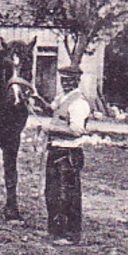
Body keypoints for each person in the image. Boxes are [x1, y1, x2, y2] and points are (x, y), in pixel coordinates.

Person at [45, 65, 92, 245]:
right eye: (62, 79)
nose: (65, 83)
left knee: (68, 195)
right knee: (52, 193)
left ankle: (70, 235)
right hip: (56, 150)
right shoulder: (63, 98)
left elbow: (76, 131)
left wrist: (51, 129)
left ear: (76, 80)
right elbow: (52, 109)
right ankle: (56, 232)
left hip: (69, 154)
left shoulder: (79, 103)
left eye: (68, 80)